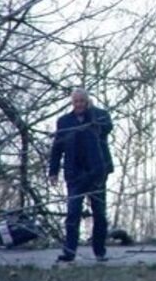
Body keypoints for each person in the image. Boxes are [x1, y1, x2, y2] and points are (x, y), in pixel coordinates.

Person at [49, 88, 114, 262]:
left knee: (99, 213)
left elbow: (107, 128)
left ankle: (99, 251)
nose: (79, 105)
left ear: (88, 101)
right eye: (76, 102)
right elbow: (57, 147)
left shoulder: (99, 116)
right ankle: (69, 251)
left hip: (97, 172)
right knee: (73, 212)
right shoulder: (64, 122)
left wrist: (91, 115)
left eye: (82, 101)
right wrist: (53, 171)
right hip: (74, 174)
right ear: (72, 103)